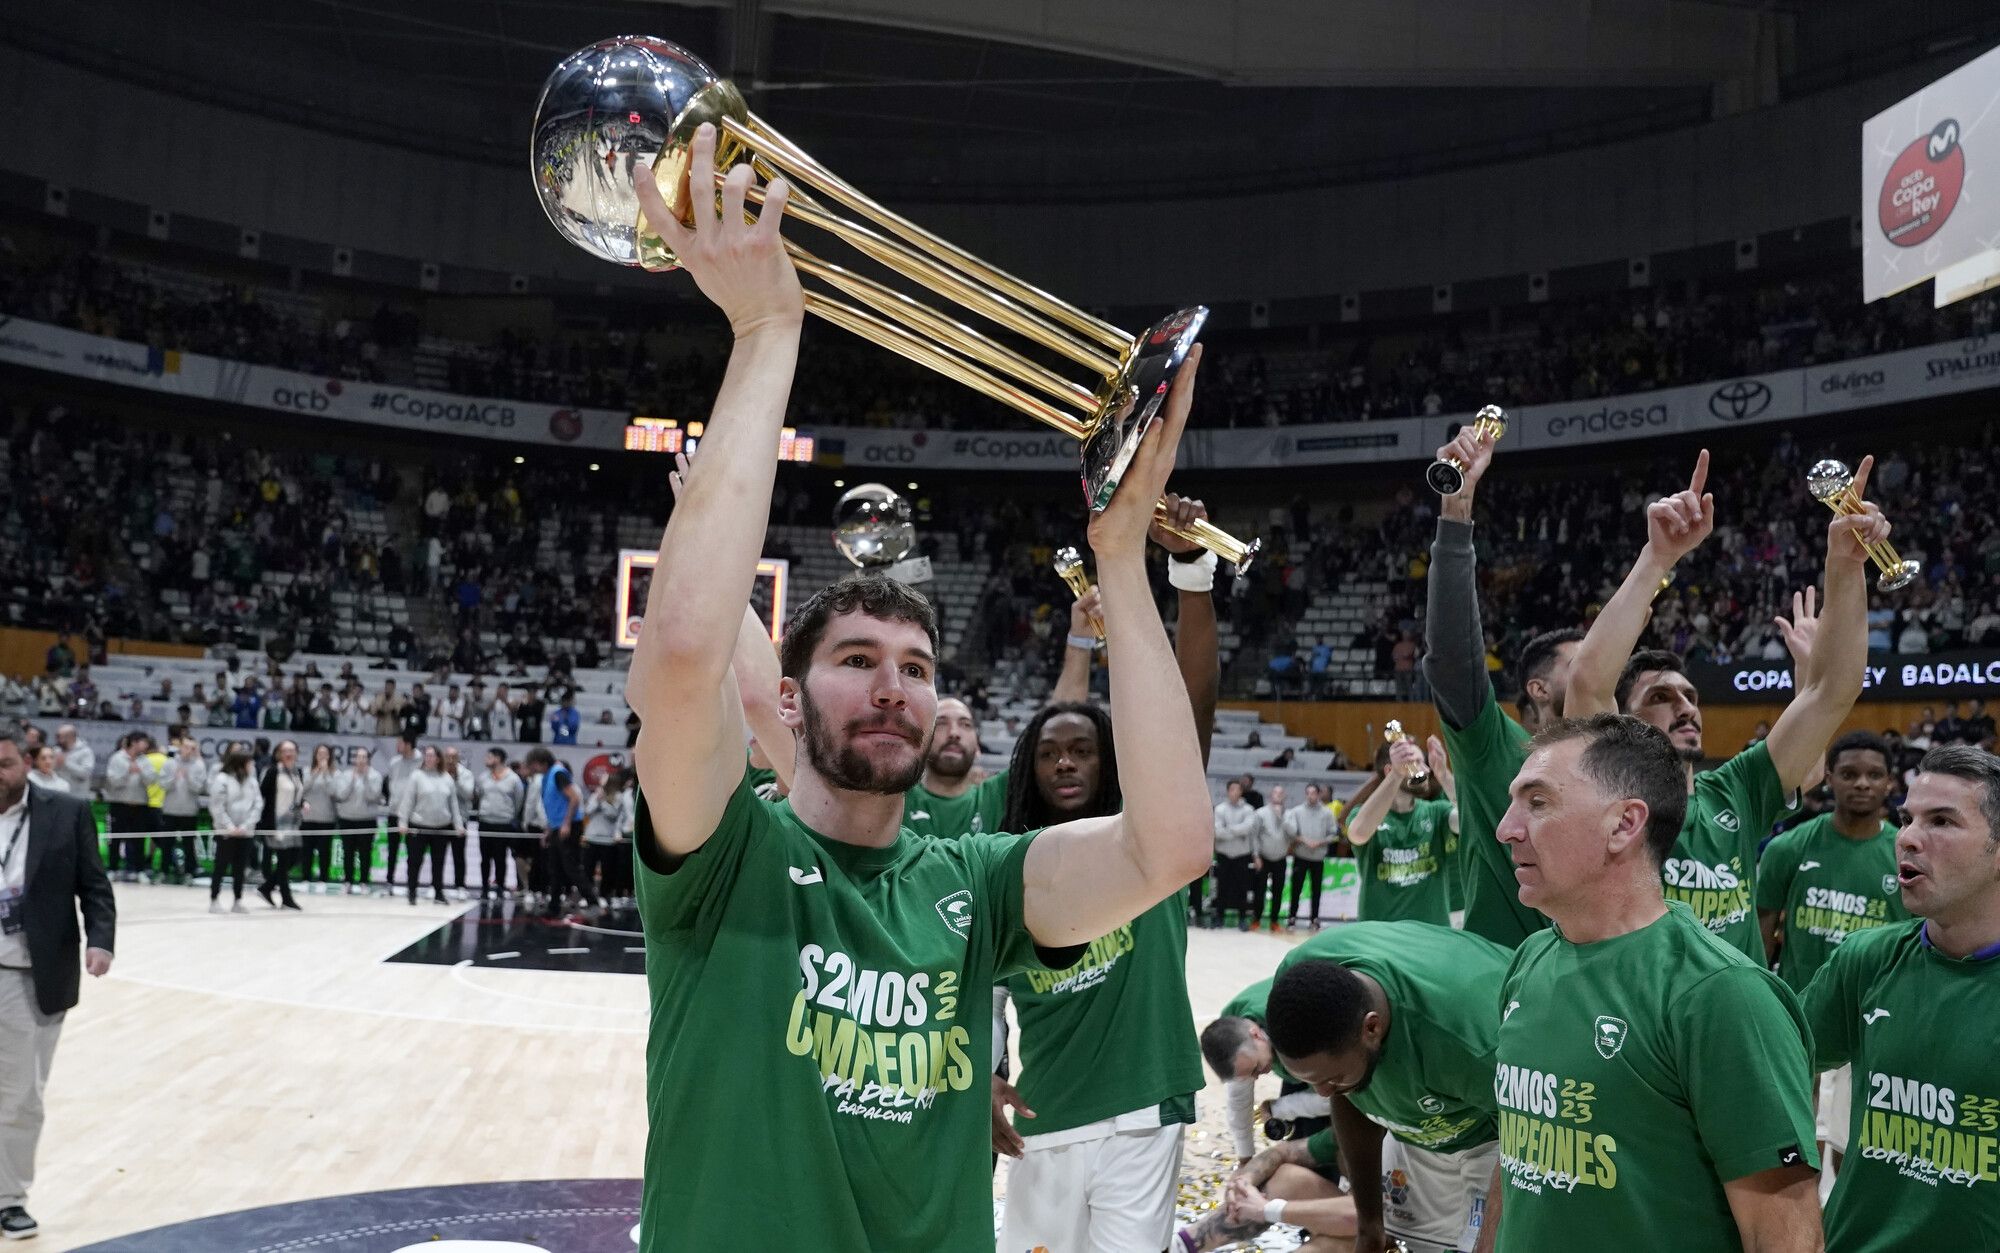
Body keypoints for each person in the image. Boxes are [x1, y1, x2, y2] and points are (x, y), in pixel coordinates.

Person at [620, 129, 1212, 1250]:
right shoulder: (720, 855)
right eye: (854, 661)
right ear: (787, 704)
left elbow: (1169, 847)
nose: (895, 688)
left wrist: (1124, 555)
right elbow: (687, 658)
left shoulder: (971, 881)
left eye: (917, 669)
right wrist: (763, 329)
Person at [1475, 715, 1821, 1253]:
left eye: (1537, 803)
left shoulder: (1722, 995)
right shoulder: (1530, 959)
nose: (1506, 828)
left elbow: (1785, 1238)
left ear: (1623, 824)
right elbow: (1520, 1154)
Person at [992, 497, 1220, 1253]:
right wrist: (985, 1073)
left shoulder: (1147, 844)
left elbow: (1186, 718)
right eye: (1050, 750)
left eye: (1083, 749)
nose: (1064, 759)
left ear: (1111, 762)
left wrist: (1190, 574)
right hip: (1042, 1116)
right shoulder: (1011, 864)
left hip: (1140, 1109)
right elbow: (974, 987)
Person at [1563, 451, 1877, 960]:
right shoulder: (1607, 789)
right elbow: (1587, 679)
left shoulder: (1737, 789)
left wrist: (1845, 563)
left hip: (1731, 1026)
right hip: (1639, 1025)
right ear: (1622, 721)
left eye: (1690, 695)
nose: (1686, 707)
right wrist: (1658, 558)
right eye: (1660, 698)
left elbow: (1832, 692)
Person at [1800, 744, 2000, 1252]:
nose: (1908, 838)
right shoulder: (1865, 960)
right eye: (1907, 818)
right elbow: (1768, 1068)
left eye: (1942, 821)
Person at [1233, 922, 1514, 1253]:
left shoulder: (1472, 1044)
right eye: (1311, 1081)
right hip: (1425, 1125)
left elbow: (1521, 1145)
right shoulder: (1303, 981)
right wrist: (1369, 1225)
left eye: (1331, 1078)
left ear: (1372, 1027)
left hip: (1497, 1128)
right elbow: (1348, 1097)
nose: (1322, 1093)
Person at [1422, 418, 1580, 950]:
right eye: (1577, 666)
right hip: (1502, 986)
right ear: (1538, 688)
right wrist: (1456, 510)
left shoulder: (1614, 761)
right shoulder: (1497, 746)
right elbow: (1451, 657)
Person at [1756, 730, 1906, 1168]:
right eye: (1850, 774)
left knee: (1853, 1145)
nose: (1862, 783)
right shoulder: (1789, 848)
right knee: (1792, 1139)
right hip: (1800, 1013)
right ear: (1829, 780)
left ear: (1889, 784)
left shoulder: (1905, 856)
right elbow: (1764, 930)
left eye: (1874, 775)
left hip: (1874, 1017)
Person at [0, 732, 115, 1242]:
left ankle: (8, 1199)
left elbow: (94, 884)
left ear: (26, 764)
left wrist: (101, 940)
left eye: (3, 764)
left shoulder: (66, 812)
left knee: (22, 1096)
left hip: (30, 972)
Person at [1199, 979, 1333, 1165]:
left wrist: (1279, 1108)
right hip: (1284, 1049)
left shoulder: (1295, 1030)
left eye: (1255, 1070)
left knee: (1323, 1148)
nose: (1255, 1078)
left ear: (1256, 1034)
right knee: (1296, 1131)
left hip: (1326, 1039)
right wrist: (1245, 1159)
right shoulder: (1231, 1031)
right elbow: (1238, 1099)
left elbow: (1334, 1096)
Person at [1345, 737, 1458, 926]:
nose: (1426, 770)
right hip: (1380, 937)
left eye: (1425, 762)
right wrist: (1396, 775)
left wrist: (1445, 775)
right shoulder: (1363, 814)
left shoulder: (1436, 811)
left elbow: (1470, 819)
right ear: (1389, 769)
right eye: (1417, 762)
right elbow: (1358, 834)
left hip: (1431, 936)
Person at [902, 697, 1005, 838]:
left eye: (966, 724)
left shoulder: (997, 793)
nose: (954, 733)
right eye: (941, 723)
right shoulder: (894, 797)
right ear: (921, 742)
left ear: (978, 748)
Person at [528, 745, 590, 916]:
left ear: (540, 762)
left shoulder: (558, 773)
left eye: (533, 764)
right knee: (554, 867)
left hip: (568, 825)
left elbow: (574, 798)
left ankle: (592, 900)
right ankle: (553, 905)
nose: (532, 768)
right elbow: (552, 806)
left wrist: (566, 823)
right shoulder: (547, 777)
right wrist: (548, 830)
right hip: (557, 826)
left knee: (571, 867)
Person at [396, 746, 461, 906]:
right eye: (427, 756)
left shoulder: (447, 778)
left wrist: (458, 825)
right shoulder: (417, 776)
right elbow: (408, 801)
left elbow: (453, 805)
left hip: (441, 827)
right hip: (419, 826)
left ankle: (438, 892)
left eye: (432, 756)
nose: (429, 758)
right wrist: (402, 822)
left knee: (438, 862)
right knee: (414, 861)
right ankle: (412, 892)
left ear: (438, 758)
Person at [207, 748, 262, 913]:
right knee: (221, 866)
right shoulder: (222, 779)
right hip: (226, 833)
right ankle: (214, 899)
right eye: (249, 762)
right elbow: (217, 806)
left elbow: (257, 805)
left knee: (240, 868)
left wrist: (245, 826)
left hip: (246, 832)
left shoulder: (252, 781)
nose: (252, 765)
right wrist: (229, 827)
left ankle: (238, 900)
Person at [100, 732, 157, 883]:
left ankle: (139, 870)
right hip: (119, 804)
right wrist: (127, 771)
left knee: (138, 839)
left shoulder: (144, 760)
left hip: (140, 804)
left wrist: (141, 771)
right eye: (143, 742)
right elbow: (113, 781)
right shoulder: (117, 758)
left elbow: (152, 780)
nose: (146, 746)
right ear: (134, 742)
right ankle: (112, 868)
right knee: (116, 838)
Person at [256, 740, 306, 910]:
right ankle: (286, 898)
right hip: (276, 824)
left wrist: (303, 803)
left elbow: (298, 794)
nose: (289, 753)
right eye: (285, 750)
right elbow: (261, 795)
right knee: (284, 861)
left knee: (294, 858)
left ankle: (267, 887)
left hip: (293, 824)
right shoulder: (273, 771)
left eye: (292, 750)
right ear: (279, 753)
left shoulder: (297, 772)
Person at [157, 728, 209, 885]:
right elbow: (162, 784)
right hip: (170, 810)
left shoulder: (199, 765)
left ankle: (189, 872)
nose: (188, 751)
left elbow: (199, 788)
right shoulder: (170, 763)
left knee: (188, 844)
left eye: (192, 748)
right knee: (167, 843)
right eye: (186, 747)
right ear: (180, 747)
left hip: (189, 811)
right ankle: (164, 871)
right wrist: (174, 777)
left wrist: (188, 777)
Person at [472, 747, 525, 900]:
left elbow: (518, 800)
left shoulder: (513, 779)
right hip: (485, 821)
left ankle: (500, 886)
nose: (485, 760)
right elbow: (479, 796)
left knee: (500, 857)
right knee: (485, 857)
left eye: (489, 757)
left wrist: (510, 815)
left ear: (498, 758)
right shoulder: (483, 777)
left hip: (503, 823)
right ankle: (484, 887)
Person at [1283, 782, 1337, 928]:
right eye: (1308, 793)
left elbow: (1333, 834)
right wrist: (1304, 840)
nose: (1310, 796)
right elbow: (1291, 833)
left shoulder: (1327, 813)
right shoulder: (1296, 811)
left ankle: (1314, 918)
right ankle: (1292, 916)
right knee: (1296, 888)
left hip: (1318, 857)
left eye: (1313, 793)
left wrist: (1320, 842)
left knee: (1316, 889)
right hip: (1301, 855)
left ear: (1319, 794)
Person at [332, 747, 385, 893]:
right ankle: (347, 881)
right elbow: (341, 795)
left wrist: (366, 779)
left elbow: (373, 797)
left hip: (366, 819)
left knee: (365, 852)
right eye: (358, 757)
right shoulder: (346, 774)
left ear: (368, 760)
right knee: (348, 852)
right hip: (347, 819)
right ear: (354, 759)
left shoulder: (375, 776)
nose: (360, 760)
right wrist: (352, 780)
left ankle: (363, 882)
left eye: (364, 757)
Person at [1212, 779, 1261, 930]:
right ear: (1228, 791)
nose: (1234, 792)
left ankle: (1242, 919)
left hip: (1242, 855)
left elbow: (1248, 829)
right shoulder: (1220, 809)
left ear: (1241, 792)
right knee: (1222, 887)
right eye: (1232, 789)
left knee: (1242, 888)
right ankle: (1219, 917)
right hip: (1224, 854)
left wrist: (1229, 829)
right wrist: (1237, 831)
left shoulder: (1248, 809)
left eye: (1237, 789)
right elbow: (1218, 831)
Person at [580, 771, 634, 907]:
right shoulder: (596, 795)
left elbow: (613, 814)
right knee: (588, 868)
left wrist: (603, 802)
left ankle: (604, 895)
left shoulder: (618, 797)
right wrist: (597, 800)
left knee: (607, 870)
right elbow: (588, 811)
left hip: (608, 840)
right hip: (592, 837)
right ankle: (588, 896)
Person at [300, 744, 341, 890]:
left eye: (325, 754)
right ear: (315, 756)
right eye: (319, 754)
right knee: (307, 850)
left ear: (329, 756)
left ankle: (323, 879)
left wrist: (326, 774)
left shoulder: (335, 773)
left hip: (326, 818)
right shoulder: (307, 771)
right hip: (308, 818)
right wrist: (316, 772)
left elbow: (334, 792)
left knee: (324, 851)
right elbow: (303, 789)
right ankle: (306, 877)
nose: (322, 757)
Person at [1252, 784, 1292, 931]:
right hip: (1263, 857)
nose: (1278, 796)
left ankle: (1274, 920)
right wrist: (1256, 855)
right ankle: (1256, 918)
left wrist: (1281, 817)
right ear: (1270, 795)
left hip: (1281, 858)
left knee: (1278, 890)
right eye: (1275, 793)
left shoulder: (1289, 814)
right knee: (1260, 889)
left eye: (1281, 793)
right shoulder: (1260, 813)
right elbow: (1254, 836)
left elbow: (1293, 834)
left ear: (1285, 797)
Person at [383, 733, 420, 889]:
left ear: (409, 745)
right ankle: (389, 881)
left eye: (400, 743)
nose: (397, 746)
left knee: (413, 853)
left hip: (413, 815)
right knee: (392, 850)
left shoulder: (421, 762)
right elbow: (389, 784)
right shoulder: (394, 762)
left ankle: (412, 884)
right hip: (394, 812)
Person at [441, 747, 475, 898]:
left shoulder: (466, 774)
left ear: (458, 758)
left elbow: (468, 795)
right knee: (438, 854)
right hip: (441, 819)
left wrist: (456, 778)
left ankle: (460, 885)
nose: (449, 760)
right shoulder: (438, 773)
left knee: (459, 855)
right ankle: (436, 884)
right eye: (447, 756)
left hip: (460, 820)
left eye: (453, 757)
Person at [50, 726, 92, 798]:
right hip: (57, 792)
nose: (57, 740)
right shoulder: (56, 750)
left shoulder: (85, 752)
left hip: (76, 795)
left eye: (59, 737)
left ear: (70, 737)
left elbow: (85, 774)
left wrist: (66, 763)